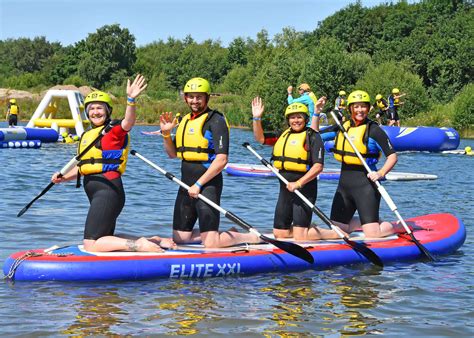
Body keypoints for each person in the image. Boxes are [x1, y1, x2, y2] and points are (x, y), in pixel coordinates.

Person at [51, 74, 175, 253]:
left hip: (108, 191)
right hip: (97, 192)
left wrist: (131, 100)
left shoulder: (113, 131)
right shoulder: (87, 135)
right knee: (103, 237)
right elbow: (85, 167)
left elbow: (128, 122)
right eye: (91, 108)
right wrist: (63, 178)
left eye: (99, 108)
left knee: (91, 244)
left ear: (107, 111)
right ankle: (154, 240)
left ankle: (139, 245)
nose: (95, 112)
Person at [159, 77, 260, 248]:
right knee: (180, 239)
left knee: (211, 245)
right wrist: (166, 134)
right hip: (186, 185)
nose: (194, 101)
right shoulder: (185, 120)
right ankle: (220, 234)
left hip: (207, 185)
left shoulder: (216, 120)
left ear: (206, 98)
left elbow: (222, 160)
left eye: (199, 97)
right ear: (186, 98)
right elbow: (172, 154)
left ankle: (245, 237)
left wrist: (199, 184)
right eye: (191, 96)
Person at [317, 90, 401, 239]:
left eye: (363, 106)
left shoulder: (374, 130)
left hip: (366, 186)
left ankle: (392, 226)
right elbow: (314, 135)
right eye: (356, 107)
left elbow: (393, 156)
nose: (359, 110)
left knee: (372, 235)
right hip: (344, 186)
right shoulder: (343, 127)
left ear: (368, 108)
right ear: (350, 108)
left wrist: (381, 173)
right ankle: (364, 222)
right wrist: (316, 113)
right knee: (337, 231)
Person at [252, 97, 326, 241]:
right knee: (280, 234)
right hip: (285, 190)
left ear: (305, 119)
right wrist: (256, 118)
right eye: (292, 117)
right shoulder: (282, 135)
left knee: (301, 237)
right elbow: (260, 138)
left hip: (304, 189)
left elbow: (318, 167)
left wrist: (299, 183)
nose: (296, 120)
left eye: (299, 117)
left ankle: (332, 233)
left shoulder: (313, 136)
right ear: (288, 120)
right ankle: (307, 230)